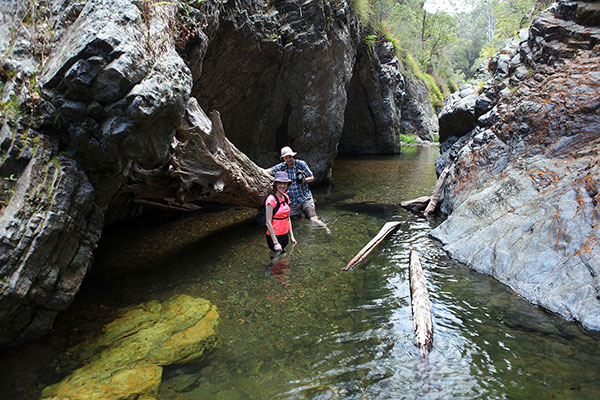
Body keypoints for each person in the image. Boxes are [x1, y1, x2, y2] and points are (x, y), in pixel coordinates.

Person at [265, 146, 330, 232]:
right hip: (292, 202)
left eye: (290, 157)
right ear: (283, 159)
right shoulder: (282, 167)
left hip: (305, 198)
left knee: (313, 219)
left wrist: (304, 180)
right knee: (295, 222)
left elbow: (312, 177)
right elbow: (268, 171)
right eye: (286, 158)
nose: (288, 160)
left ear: (293, 156)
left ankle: (326, 229)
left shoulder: (301, 164)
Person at [265, 171, 297, 256]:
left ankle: (273, 267)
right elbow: (268, 223)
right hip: (274, 236)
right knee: (281, 256)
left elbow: (287, 218)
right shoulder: (271, 200)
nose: (282, 186)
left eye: (284, 183)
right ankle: (269, 268)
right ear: (275, 184)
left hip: (284, 234)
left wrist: (291, 236)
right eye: (280, 183)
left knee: (281, 259)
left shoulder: (286, 197)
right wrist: (275, 243)